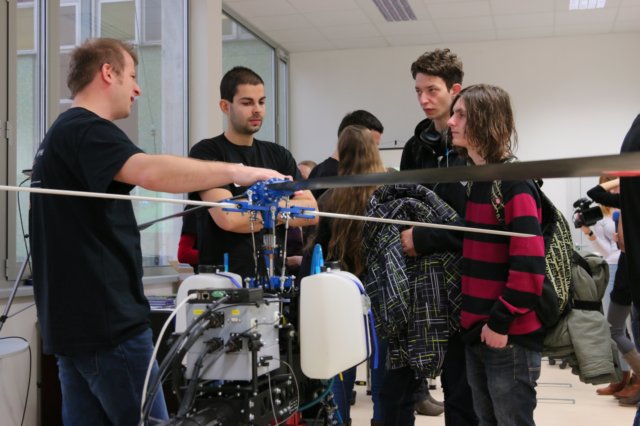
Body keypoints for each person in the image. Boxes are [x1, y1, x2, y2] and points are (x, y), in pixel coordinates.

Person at [28, 38, 286, 426]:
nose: (137, 89)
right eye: (132, 76)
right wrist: (238, 171)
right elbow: (151, 171)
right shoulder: (87, 129)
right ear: (108, 73)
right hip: (108, 327)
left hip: (71, 327)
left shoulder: (59, 134)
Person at [449, 84, 545, 426]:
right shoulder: (480, 181)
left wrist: (500, 321)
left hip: (506, 336)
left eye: (461, 115)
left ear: (485, 121)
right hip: (479, 332)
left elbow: (530, 266)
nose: (451, 122)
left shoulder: (513, 183)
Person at [399, 48, 475, 423]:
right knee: (409, 380)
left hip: (467, 281)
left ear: (455, 90)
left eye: (432, 90)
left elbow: (479, 224)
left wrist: (427, 236)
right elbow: (402, 205)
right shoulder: (416, 148)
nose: (424, 100)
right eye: (418, 91)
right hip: (424, 281)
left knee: (463, 390)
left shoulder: (475, 147)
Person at [189, 66, 317, 280]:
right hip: (225, 282)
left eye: (261, 102)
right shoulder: (207, 153)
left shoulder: (279, 155)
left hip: (274, 280)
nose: (257, 110)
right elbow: (228, 217)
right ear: (225, 106)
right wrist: (284, 212)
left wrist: (256, 211)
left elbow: (311, 211)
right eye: (247, 103)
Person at [305, 125, 387, 425]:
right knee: (382, 379)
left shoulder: (329, 199)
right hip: (381, 298)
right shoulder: (386, 196)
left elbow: (315, 254)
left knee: (339, 376)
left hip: (340, 300)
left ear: (342, 154)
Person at [580, 177, 640, 400]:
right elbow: (594, 193)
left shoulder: (628, 197)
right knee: (618, 327)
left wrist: (621, 177)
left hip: (624, 265)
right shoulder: (627, 197)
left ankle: (635, 378)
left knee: (619, 327)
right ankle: (628, 377)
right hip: (622, 266)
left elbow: (595, 192)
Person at [308, 110, 384, 199]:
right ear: (353, 137)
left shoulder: (318, 170)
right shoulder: (337, 177)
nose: (375, 152)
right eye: (372, 145)